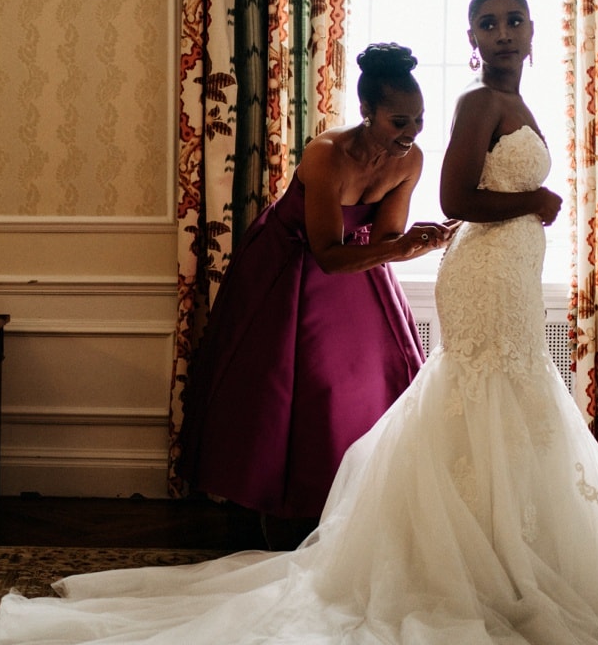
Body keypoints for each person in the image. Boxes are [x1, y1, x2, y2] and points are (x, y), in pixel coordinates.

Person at [0, 0, 598, 645]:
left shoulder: (455, 128)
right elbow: (389, 228)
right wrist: (529, 203)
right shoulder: (373, 137)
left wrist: (415, 244)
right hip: (300, 270)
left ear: (533, 31)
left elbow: (399, 229)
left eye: (514, 20)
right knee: (293, 398)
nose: (503, 33)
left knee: (437, 403)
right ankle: (308, 523)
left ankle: (510, 564)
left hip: (462, 272)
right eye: (488, 22)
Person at [176, 43, 452, 543]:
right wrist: (400, 247)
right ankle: (268, 508)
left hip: (360, 265)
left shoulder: (409, 161)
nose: (409, 133)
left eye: (418, 120)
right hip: (290, 266)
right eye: (398, 121)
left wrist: (420, 244)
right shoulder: (326, 155)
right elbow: (326, 251)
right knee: (284, 388)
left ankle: (351, 500)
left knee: (370, 379)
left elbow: (386, 240)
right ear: (367, 112)